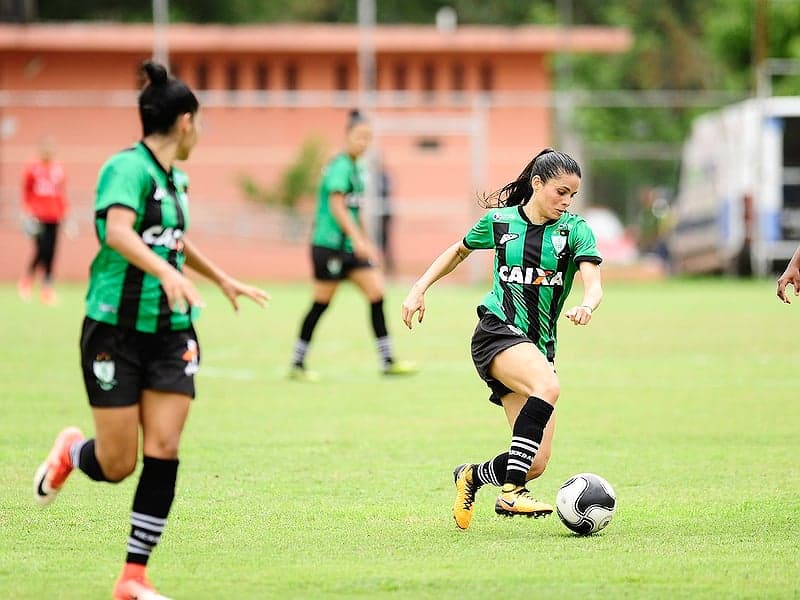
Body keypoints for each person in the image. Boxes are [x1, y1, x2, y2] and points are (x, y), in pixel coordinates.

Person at [32, 61, 270, 600]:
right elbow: (118, 233)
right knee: (117, 464)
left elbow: (172, 243)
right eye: (200, 123)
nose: (200, 133)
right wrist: (165, 271)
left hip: (171, 330)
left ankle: (132, 577)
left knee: (165, 444)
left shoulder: (177, 180)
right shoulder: (126, 169)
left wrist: (223, 279)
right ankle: (71, 452)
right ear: (185, 122)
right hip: (114, 329)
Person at [401, 148, 603, 530]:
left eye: (572, 195)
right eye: (561, 191)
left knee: (536, 462)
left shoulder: (575, 230)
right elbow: (458, 252)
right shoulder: (499, 222)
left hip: (538, 346)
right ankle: (510, 493)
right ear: (537, 184)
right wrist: (418, 288)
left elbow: (593, 284)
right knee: (548, 385)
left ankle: (472, 477)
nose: (567, 201)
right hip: (496, 332)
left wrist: (587, 306)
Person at [289, 109, 415, 381]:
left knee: (377, 292)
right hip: (330, 246)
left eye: (368, 137)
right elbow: (337, 206)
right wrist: (359, 240)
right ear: (347, 136)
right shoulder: (340, 166)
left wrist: (368, 243)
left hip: (351, 248)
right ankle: (297, 363)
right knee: (321, 303)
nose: (364, 142)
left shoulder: (358, 168)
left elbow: (355, 211)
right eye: (359, 136)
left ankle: (387, 360)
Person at [19, 135, 68, 305]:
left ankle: (47, 289)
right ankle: (27, 281)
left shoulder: (58, 169)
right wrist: (28, 212)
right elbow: (26, 191)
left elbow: (61, 193)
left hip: (55, 216)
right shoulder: (33, 168)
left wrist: (65, 214)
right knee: (41, 250)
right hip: (38, 216)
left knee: (51, 253)